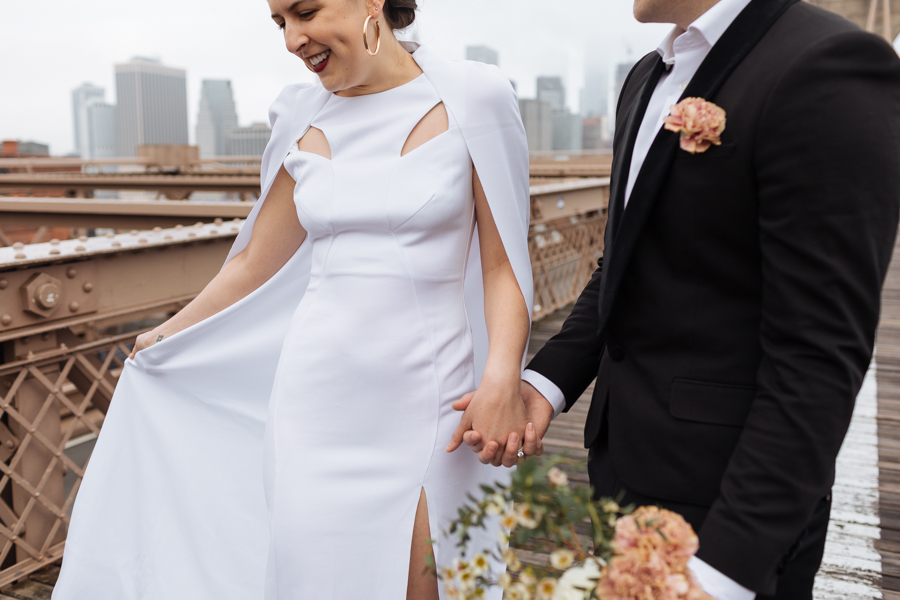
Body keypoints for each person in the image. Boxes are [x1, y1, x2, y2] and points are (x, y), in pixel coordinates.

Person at [52, 1, 538, 599]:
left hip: (432, 404)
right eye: (279, 22)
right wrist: (164, 335)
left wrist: (501, 378)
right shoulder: (301, 114)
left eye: (304, 12)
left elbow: (502, 262)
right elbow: (256, 260)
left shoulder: (476, 95)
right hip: (314, 409)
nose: (291, 39)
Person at [458, 0, 900, 598]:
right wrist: (543, 384)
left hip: (727, 506)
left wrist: (721, 572)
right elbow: (623, 265)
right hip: (622, 472)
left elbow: (819, 359)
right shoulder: (647, 76)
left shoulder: (826, 65)